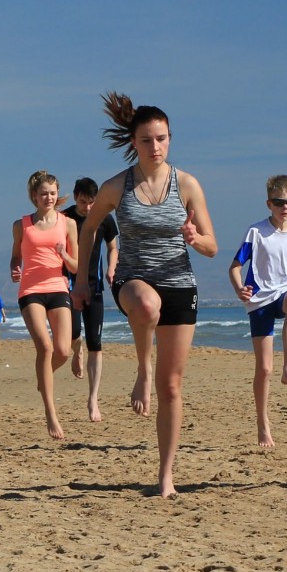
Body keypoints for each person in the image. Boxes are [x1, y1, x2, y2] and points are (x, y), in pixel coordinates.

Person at [74, 93, 217, 498]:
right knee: (146, 305)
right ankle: (142, 367)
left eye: (162, 139)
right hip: (133, 279)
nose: (156, 147)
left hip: (180, 284)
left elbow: (212, 247)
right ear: (133, 143)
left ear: (170, 139)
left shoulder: (186, 185)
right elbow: (89, 230)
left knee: (172, 388)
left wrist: (194, 237)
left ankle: (166, 475)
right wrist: (83, 281)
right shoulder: (117, 186)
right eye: (147, 140)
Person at [230, 174, 287, 447]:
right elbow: (235, 266)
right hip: (259, 300)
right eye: (280, 202)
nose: (286, 207)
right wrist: (239, 289)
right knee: (263, 368)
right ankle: (262, 421)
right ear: (269, 203)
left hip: (284, 292)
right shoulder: (256, 232)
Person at [11, 170, 80, 440]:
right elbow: (15, 257)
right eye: (43, 193)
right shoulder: (22, 225)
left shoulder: (68, 224)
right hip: (30, 290)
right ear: (34, 196)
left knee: (63, 351)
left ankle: (44, 379)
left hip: (58, 287)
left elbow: (76, 266)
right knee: (46, 347)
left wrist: (64, 255)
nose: (48, 197)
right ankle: (51, 413)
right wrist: (15, 269)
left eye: (52, 193)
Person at [64, 176, 119, 422]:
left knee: (95, 344)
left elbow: (113, 247)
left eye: (91, 203)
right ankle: (76, 349)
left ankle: (93, 399)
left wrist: (112, 268)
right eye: (84, 202)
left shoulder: (104, 218)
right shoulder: (64, 219)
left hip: (96, 289)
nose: (88, 208)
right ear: (76, 197)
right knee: (73, 334)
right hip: (70, 287)